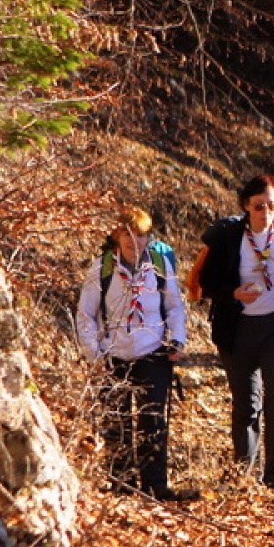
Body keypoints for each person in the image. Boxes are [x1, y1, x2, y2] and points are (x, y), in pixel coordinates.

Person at [189, 174, 274, 490]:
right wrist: (234, 293)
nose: (265, 213)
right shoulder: (228, 237)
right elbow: (207, 282)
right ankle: (245, 473)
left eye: (271, 206)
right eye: (258, 207)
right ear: (245, 206)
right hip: (237, 328)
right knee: (246, 402)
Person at [76, 206, 193, 501]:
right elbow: (86, 314)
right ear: (117, 236)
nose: (134, 241)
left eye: (140, 235)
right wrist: (94, 354)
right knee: (117, 422)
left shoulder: (159, 266)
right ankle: (122, 485)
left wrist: (177, 339)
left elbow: (174, 307)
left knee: (153, 420)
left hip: (152, 351)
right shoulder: (102, 269)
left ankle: (156, 486)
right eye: (128, 234)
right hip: (112, 354)